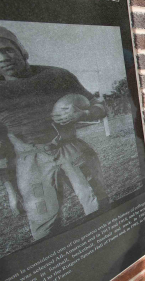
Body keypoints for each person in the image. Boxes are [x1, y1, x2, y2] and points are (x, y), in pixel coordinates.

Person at [0, 26, 108, 241]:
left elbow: (100, 107)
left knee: (98, 206)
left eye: (8, 50)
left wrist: (82, 113)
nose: (3, 58)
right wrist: (11, 190)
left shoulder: (56, 75)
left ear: (21, 50)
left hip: (69, 148)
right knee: (43, 224)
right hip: (30, 160)